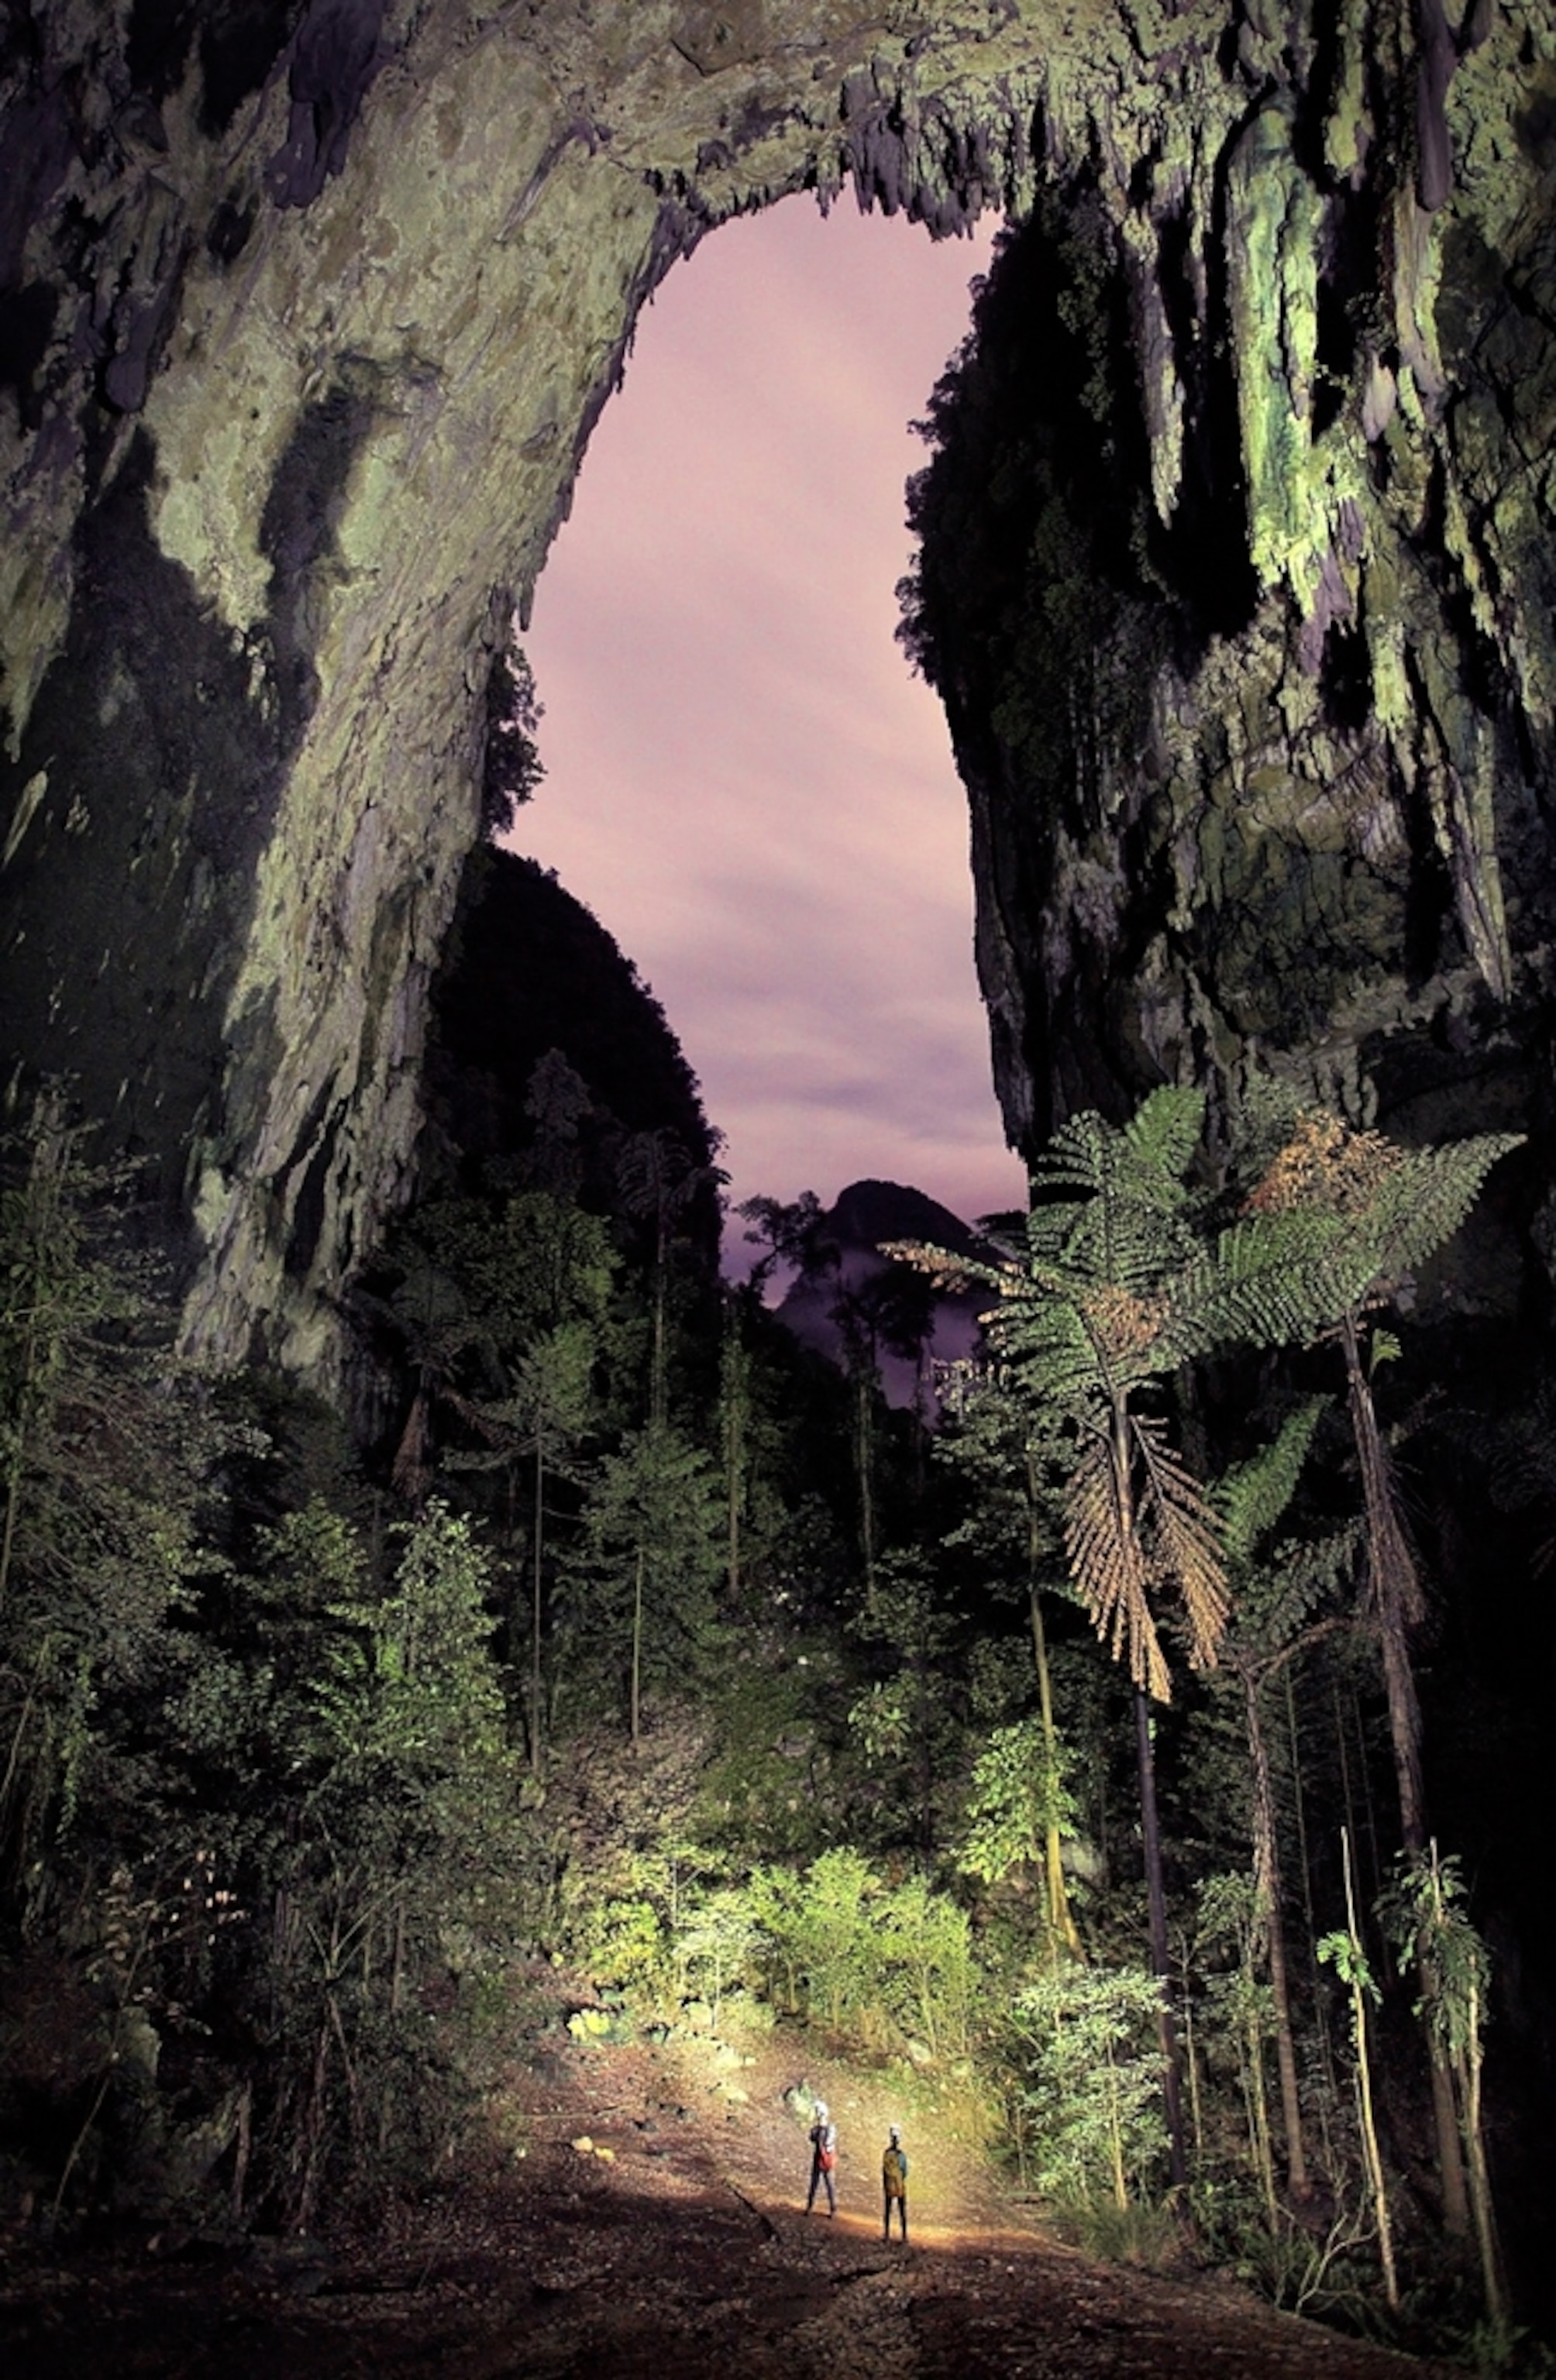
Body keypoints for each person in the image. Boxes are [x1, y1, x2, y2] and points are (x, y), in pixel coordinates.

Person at [806, 2100, 838, 2215]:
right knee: (819, 2184)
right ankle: (812, 2207)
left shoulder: (827, 2129)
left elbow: (817, 2139)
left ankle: (832, 2208)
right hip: (820, 2159)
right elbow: (812, 2138)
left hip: (824, 2159)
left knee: (828, 2185)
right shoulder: (821, 2129)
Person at [882, 2124, 908, 2241]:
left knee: (888, 2210)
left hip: (889, 2186)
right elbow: (905, 2171)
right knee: (902, 2211)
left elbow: (883, 2170)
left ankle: (886, 2234)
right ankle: (904, 2235)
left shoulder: (886, 2154)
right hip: (899, 2186)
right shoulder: (901, 2155)